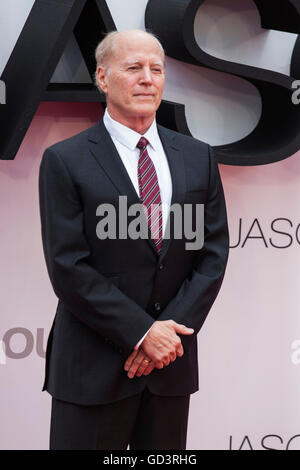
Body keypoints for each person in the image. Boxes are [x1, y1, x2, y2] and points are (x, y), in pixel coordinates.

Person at [39, 29, 229, 450]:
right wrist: (143, 333)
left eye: (156, 69)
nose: (148, 78)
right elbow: (68, 266)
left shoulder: (198, 156)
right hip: (91, 370)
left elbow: (212, 255)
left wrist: (167, 338)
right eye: (133, 68)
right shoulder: (65, 160)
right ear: (103, 78)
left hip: (169, 369)